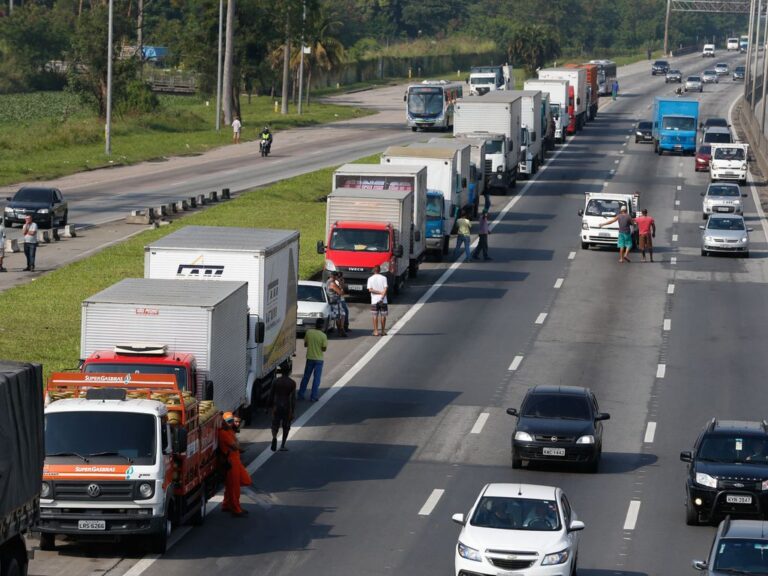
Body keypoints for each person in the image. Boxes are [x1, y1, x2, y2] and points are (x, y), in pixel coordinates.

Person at [218, 412, 252, 517]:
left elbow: (236, 445)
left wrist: (237, 445)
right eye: (229, 421)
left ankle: (227, 504)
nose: (231, 423)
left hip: (236, 459)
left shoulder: (230, 430)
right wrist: (237, 445)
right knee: (234, 486)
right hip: (231, 461)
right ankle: (236, 509)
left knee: (244, 480)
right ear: (224, 422)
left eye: (232, 421)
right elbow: (235, 445)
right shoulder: (223, 433)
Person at [298, 318, 327, 401]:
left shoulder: (309, 332)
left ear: (315, 324)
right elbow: (324, 349)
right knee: (316, 379)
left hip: (310, 358)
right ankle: (313, 397)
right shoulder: (323, 336)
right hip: (319, 359)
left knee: (306, 377)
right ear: (322, 326)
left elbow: (306, 344)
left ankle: (300, 394)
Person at [269, 364, 296, 452]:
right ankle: (283, 445)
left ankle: (274, 437)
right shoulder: (292, 383)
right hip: (286, 407)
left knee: (275, 424)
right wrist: (292, 411)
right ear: (288, 372)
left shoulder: (276, 381)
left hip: (276, 406)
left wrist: (267, 407)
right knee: (286, 426)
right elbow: (293, 399)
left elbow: (271, 395)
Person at [367, 264, 388, 336]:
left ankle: (376, 331)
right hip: (383, 300)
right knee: (383, 316)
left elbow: (370, 290)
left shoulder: (370, 279)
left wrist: (378, 293)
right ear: (380, 270)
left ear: (373, 270)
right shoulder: (384, 278)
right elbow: (385, 288)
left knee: (375, 316)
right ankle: (382, 331)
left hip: (374, 300)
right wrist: (382, 296)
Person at [326, 271, 347, 337]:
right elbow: (340, 293)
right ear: (335, 276)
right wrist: (341, 287)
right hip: (335, 301)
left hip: (332, 300)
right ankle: (341, 329)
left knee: (339, 315)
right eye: (337, 276)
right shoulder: (332, 283)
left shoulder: (328, 281)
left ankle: (340, 330)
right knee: (341, 315)